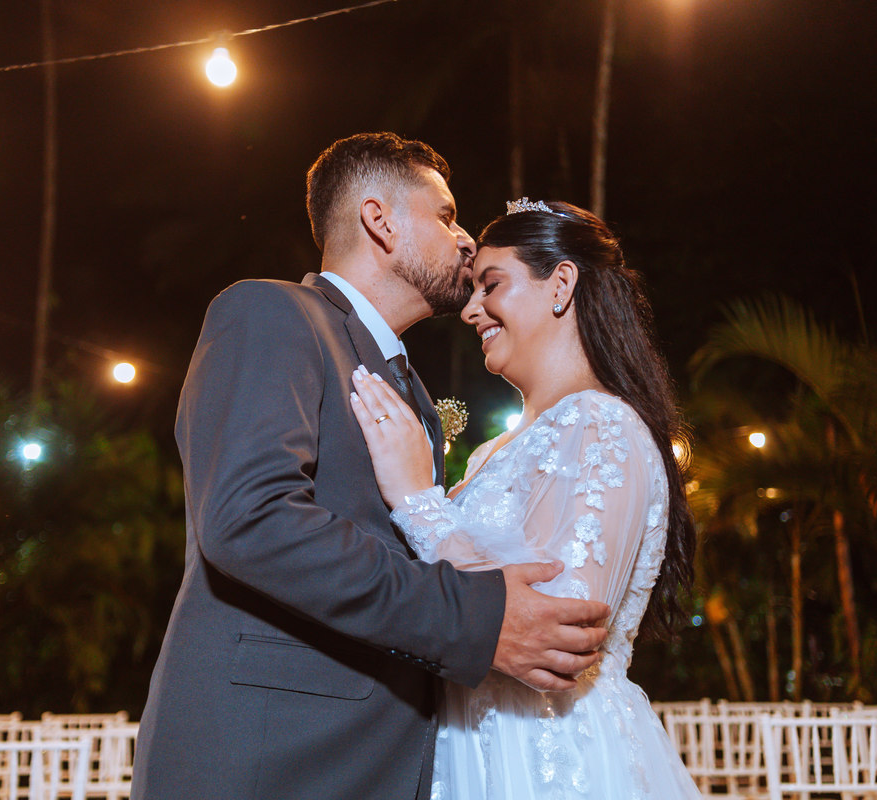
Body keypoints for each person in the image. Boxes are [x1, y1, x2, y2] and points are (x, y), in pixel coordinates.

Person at [131, 137, 613, 800]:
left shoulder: (411, 390)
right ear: (379, 220)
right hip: (271, 759)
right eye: (445, 216)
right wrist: (474, 621)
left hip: (379, 762)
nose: (466, 239)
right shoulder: (272, 313)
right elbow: (251, 518)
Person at [350, 199, 702, 799]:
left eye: (491, 285)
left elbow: (558, 631)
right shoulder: (493, 452)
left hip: (549, 760)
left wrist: (416, 501)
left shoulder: (602, 424)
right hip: (469, 747)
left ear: (561, 284)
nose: (471, 310)